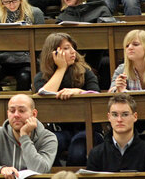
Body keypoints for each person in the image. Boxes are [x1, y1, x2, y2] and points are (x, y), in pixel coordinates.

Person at [33, 32, 101, 166]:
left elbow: (97, 95)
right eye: (65, 48)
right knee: (49, 147)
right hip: (58, 129)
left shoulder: (85, 72)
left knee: (78, 150)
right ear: (53, 53)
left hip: (86, 128)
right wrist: (61, 68)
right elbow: (44, 95)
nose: (72, 51)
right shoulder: (41, 77)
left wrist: (79, 91)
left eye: (72, 47)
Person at [0, 94, 57, 177]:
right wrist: (0, 170)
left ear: (34, 114)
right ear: (8, 113)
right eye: (12, 111)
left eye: (21, 111)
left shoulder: (47, 138)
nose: (16, 115)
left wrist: (24, 137)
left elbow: (41, 170)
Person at [86, 93, 145, 172]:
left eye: (125, 114)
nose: (119, 119)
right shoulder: (96, 154)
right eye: (115, 115)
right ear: (109, 117)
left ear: (135, 117)